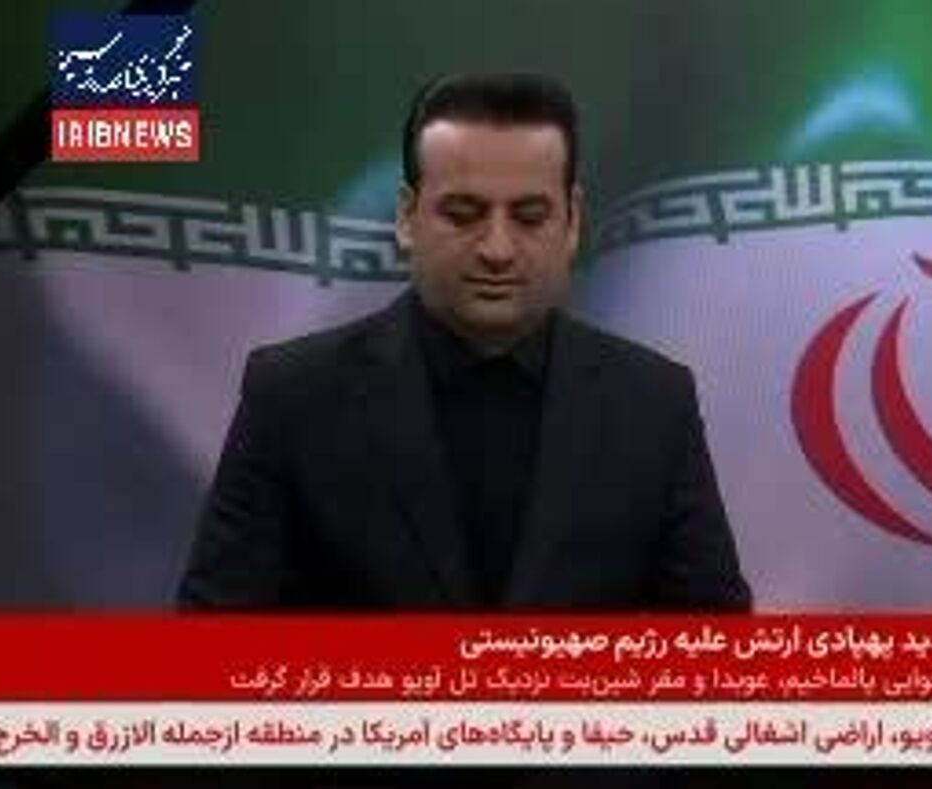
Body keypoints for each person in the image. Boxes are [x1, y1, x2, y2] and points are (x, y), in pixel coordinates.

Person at [178, 72, 751, 610]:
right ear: (407, 217)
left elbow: (715, 646)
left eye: (529, 216)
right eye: (463, 214)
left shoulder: (655, 403)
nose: (497, 249)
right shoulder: (291, 398)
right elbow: (213, 645)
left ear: (573, 220)